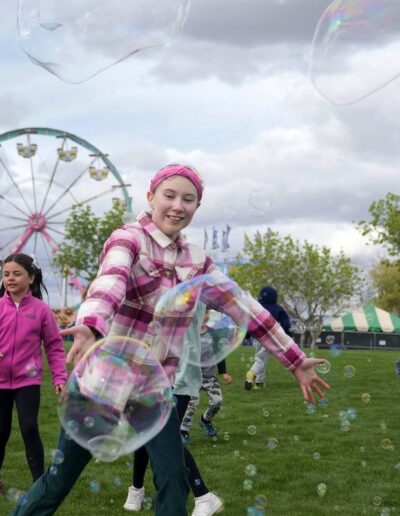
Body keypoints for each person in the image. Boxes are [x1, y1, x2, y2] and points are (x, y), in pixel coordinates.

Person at [12, 164, 329, 516]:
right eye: (170, 195)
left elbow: (246, 307)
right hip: (102, 384)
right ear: (150, 198)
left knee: (174, 478)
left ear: (196, 207)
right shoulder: (127, 239)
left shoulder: (197, 262)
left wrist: (295, 360)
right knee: (58, 480)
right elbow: (110, 282)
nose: (178, 205)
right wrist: (90, 325)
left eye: (188, 199)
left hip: (153, 389)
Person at [124, 304, 223, 514]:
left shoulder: (193, 286)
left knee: (164, 437)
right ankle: (137, 488)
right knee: (146, 431)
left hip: (180, 376)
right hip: (153, 372)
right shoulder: (160, 283)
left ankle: (203, 494)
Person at [0, 254, 67, 493]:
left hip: (27, 381)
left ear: (31, 278)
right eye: (6, 274)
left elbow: (54, 347)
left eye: (16, 274)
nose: (10, 278)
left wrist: (59, 377)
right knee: (0, 431)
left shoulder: (41, 310)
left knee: (29, 427)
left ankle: (40, 484)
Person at [181, 308, 232, 442]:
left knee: (217, 401)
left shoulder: (213, 334)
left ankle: (205, 420)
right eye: (203, 312)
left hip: (209, 377)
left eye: (207, 313)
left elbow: (219, 354)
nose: (205, 315)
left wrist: (223, 372)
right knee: (191, 405)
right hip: (193, 378)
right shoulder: (189, 333)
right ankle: (183, 431)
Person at [245, 285, 291, 391]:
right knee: (262, 359)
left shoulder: (256, 308)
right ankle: (253, 374)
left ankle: (259, 383)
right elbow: (286, 324)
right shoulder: (279, 309)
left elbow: (249, 323)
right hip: (271, 338)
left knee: (259, 358)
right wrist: (287, 336)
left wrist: (247, 336)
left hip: (257, 337)